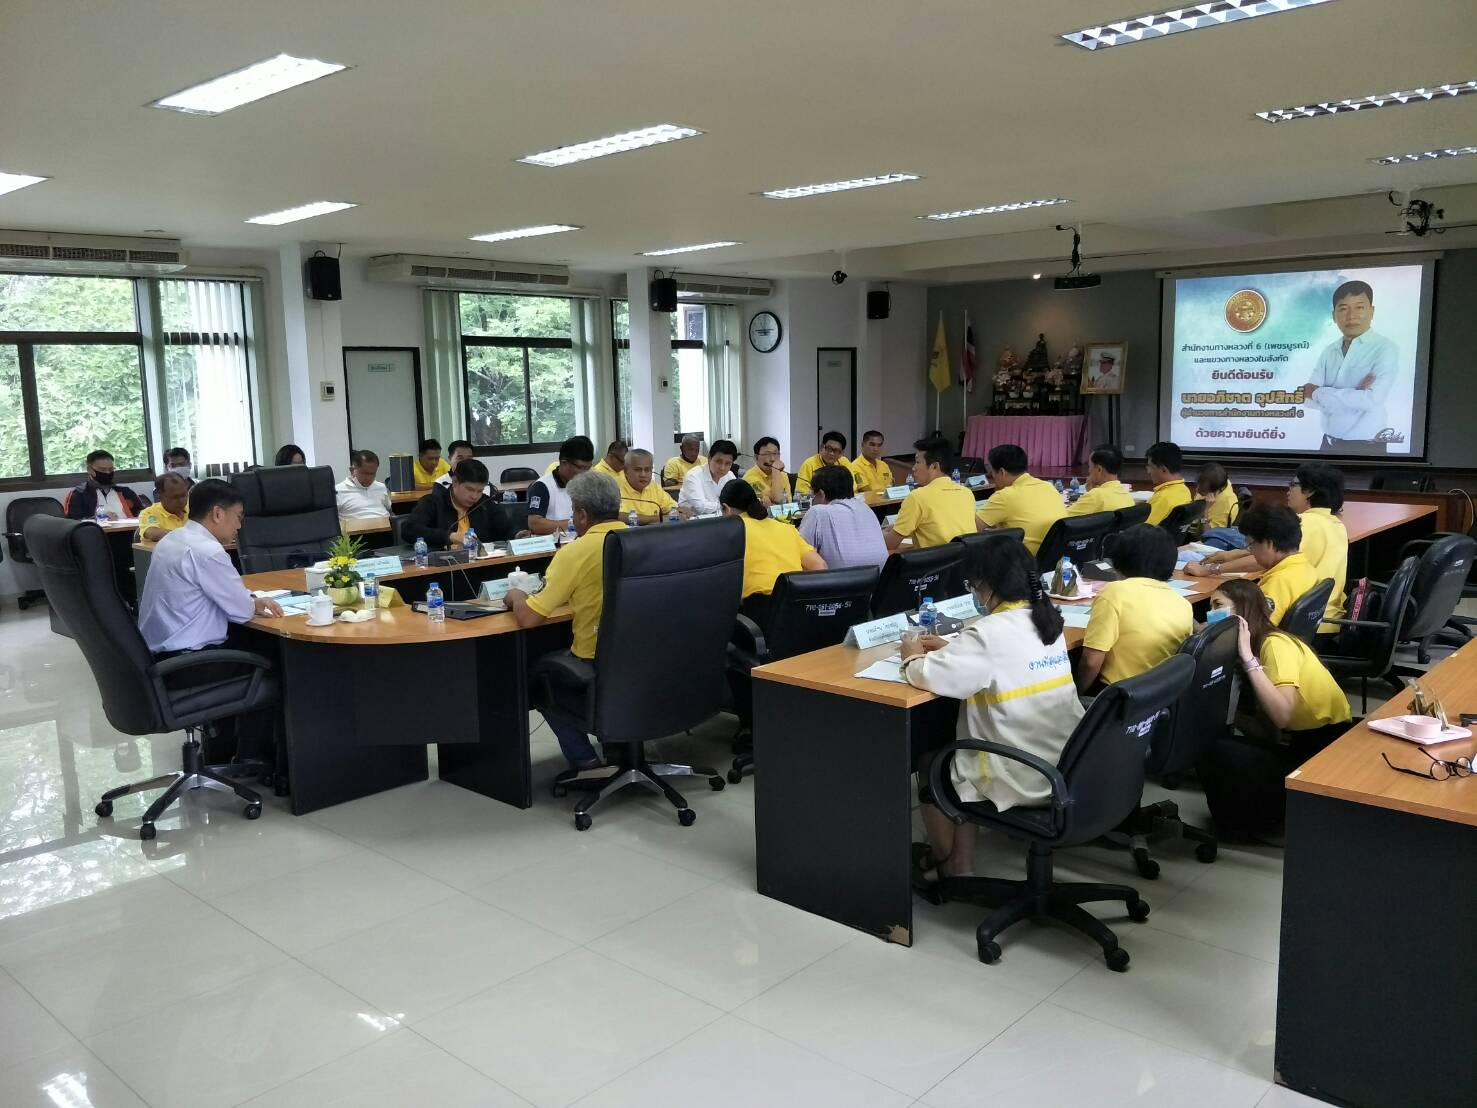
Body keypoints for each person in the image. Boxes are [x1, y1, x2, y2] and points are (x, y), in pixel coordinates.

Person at [903, 538, 1083, 885]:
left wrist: (910, 654)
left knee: (931, 761)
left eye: (973, 584)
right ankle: (958, 861)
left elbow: (929, 675)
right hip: (1066, 762)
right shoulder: (1048, 620)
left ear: (987, 585)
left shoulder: (988, 633)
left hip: (1020, 770)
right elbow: (1000, 657)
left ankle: (952, 867)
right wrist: (958, 645)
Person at [1199, 579, 1352, 836]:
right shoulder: (1263, 645)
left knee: (1216, 751)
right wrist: (1226, 715)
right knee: (1222, 742)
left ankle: (1247, 828)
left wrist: (1249, 660)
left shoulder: (1275, 645)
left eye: (1218, 605)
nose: (1211, 613)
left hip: (1324, 748)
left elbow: (1282, 715)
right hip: (1306, 741)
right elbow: (1269, 733)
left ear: (1243, 611)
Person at [506, 472, 627, 771]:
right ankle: (619, 751)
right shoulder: (642, 538)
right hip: (643, 655)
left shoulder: (575, 552)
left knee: (538, 679)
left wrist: (517, 595)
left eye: (573, 512)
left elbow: (529, 618)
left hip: (595, 660)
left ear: (582, 515)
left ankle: (585, 761)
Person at [1189, 467, 1346, 634]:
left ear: (1309, 491)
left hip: (1301, 632)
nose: (1288, 490)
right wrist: (1231, 555)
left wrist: (1212, 570)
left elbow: (1249, 632)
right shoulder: (1335, 525)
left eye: (1293, 485)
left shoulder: (1304, 524)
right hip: (1321, 622)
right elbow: (1276, 549)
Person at [138, 479, 284, 653]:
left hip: (156, 652)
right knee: (275, 649)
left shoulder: (171, 539)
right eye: (238, 517)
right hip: (194, 656)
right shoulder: (208, 551)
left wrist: (252, 602)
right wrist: (252, 604)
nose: (239, 526)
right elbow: (242, 611)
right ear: (218, 514)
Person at [1077, 524, 1193, 692]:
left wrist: (1076, 696)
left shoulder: (1115, 592)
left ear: (1119, 558)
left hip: (1118, 695)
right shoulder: (1183, 603)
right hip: (1159, 696)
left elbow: (1090, 663)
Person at [1303, 280, 1398, 453]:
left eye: (1359, 307)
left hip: (1367, 447)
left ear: (1372, 312)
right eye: (1343, 308)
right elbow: (1306, 398)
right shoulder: (1329, 351)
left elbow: (1371, 400)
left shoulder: (1385, 348)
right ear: (1334, 316)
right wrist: (1355, 395)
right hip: (1327, 445)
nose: (1351, 315)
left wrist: (1318, 393)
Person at [719, 478, 826, 624]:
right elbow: (820, 566)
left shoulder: (731, 531)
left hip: (759, 612)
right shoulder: (786, 529)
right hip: (798, 607)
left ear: (726, 508)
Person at [885, 436, 976, 551]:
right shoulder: (967, 493)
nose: (913, 468)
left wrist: (880, 534)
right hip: (966, 559)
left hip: (936, 561)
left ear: (934, 466)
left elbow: (890, 545)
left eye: (918, 462)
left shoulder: (917, 497)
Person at [975, 444, 1067, 555]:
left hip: (1022, 560)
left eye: (992, 473)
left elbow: (972, 528)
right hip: (1055, 557)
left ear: (1002, 472)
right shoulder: (1048, 486)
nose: (992, 477)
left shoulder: (1005, 496)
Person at [403, 458, 513, 547]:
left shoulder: (485, 503)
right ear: (455, 482)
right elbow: (409, 530)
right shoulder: (433, 502)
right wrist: (450, 536)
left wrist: (517, 534)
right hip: (445, 564)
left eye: (480, 491)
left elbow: (506, 528)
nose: (475, 496)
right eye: (470, 489)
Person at [798, 463, 887, 570]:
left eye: (812, 494)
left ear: (821, 494)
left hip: (840, 579)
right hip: (880, 577)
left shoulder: (818, 512)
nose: (811, 498)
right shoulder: (865, 507)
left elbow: (800, 553)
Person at [526, 435, 595, 535]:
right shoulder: (542, 486)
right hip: (555, 542)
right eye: (581, 468)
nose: (585, 473)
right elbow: (535, 524)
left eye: (588, 468)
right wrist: (574, 524)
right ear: (564, 463)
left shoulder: (587, 485)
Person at [64, 449, 146, 520]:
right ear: (89, 470)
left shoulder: (126, 492)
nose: (107, 473)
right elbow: (72, 523)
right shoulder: (78, 494)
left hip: (130, 531)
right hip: (96, 532)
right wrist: (98, 518)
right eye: (102, 470)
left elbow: (143, 513)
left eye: (111, 469)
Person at [619, 448, 689, 523]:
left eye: (647, 470)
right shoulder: (615, 487)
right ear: (625, 471)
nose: (643, 475)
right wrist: (659, 519)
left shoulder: (653, 486)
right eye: (637, 470)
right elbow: (618, 517)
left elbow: (675, 509)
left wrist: (681, 512)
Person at [1067, 445, 1134, 517]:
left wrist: (1089, 494)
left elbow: (1062, 518)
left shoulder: (1095, 496)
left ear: (1099, 469)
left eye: (1090, 466)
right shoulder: (1127, 496)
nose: (1089, 471)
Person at [678, 438, 737, 515]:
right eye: (718, 461)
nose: (722, 468)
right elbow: (701, 507)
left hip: (722, 518)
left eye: (728, 463)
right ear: (709, 458)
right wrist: (726, 506)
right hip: (694, 520)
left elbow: (738, 499)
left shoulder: (730, 475)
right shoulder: (693, 476)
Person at [795, 430, 859, 496]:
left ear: (841, 453)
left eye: (836, 450)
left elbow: (853, 487)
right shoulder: (809, 464)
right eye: (829, 448)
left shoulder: (844, 462)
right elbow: (801, 492)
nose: (831, 453)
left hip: (840, 500)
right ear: (821, 447)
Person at [335, 449, 393, 520]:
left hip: (385, 526)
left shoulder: (381, 487)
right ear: (352, 470)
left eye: (372, 474)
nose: (369, 478)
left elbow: (389, 508)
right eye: (365, 473)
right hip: (356, 527)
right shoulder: (338, 491)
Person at [1144, 441, 1191, 526]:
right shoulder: (1185, 490)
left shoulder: (1162, 498)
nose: (1148, 471)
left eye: (1150, 466)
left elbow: (1143, 529)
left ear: (1163, 469)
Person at [138, 472, 191, 541]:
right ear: (160, 495)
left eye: (184, 495)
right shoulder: (149, 513)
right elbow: (152, 533)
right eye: (175, 497)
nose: (181, 501)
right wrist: (188, 536)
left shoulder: (194, 508)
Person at [745, 436, 792, 506]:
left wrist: (772, 503)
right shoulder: (750, 478)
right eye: (767, 454)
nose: (772, 459)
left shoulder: (783, 474)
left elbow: (788, 503)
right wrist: (776, 470)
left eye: (775, 454)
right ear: (756, 457)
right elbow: (778, 499)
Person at [851, 430, 892, 495]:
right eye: (872, 445)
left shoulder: (883, 465)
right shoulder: (855, 466)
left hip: (887, 499)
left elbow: (891, 487)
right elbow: (866, 491)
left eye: (879, 445)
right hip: (869, 500)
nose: (876, 449)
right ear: (862, 445)